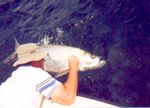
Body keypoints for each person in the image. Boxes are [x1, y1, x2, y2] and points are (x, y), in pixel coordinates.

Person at [0, 43, 79, 108]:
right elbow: (68, 98)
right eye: (41, 57)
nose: (44, 59)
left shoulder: (17, 74)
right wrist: (73, 67)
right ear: (34, 60)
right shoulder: (36, 73)